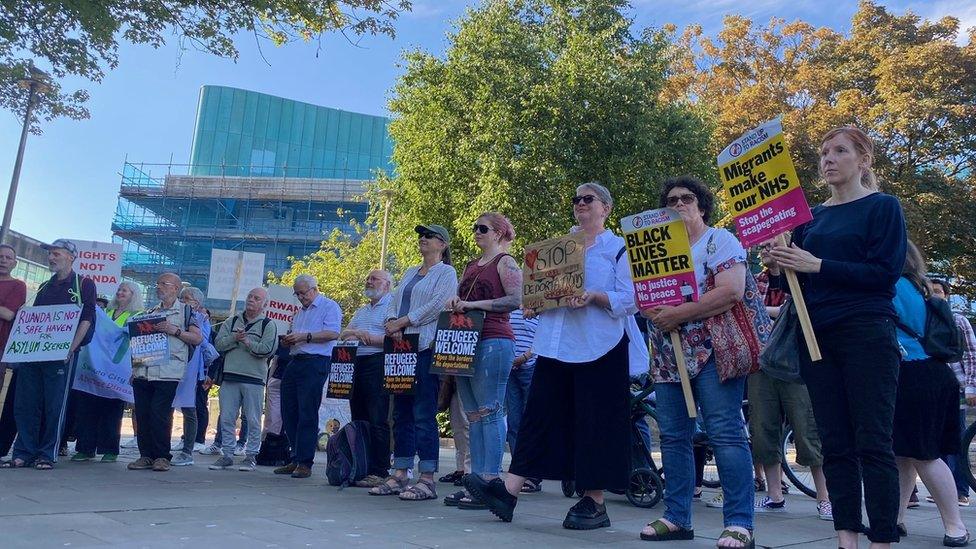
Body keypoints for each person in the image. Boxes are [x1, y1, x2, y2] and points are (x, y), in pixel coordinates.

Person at [465, 183, 647, 531]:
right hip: (556, 344)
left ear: (606, 208)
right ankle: (509, 490)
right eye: (576, 199)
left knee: (596, 422)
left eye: (588, 199)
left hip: (599, 346)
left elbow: (630, 300)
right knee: (538, 416)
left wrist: (593, 295)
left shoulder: (619, 250)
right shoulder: (558, 248)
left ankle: (594, 500)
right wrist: (535, 307)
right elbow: (541, 294)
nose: (580, 204)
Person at [768, 126, 907, 549]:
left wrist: (818, 265)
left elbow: (885, 274)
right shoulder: (811, 218)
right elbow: (798, 283)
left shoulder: (883, 207)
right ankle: (847, 537)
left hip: (867, 333)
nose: (828, 159)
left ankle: (881, 539)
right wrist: (780, 264)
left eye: (840, 151)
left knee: (874, 441)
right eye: (824, 152)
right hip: (817, 338)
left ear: (863, 160)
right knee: (835, 442)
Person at [636, 177, 754, 548]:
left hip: (713, 353)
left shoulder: (720, 241)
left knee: (725, 433)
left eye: (687, 198)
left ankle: (739, 521)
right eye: (671, 200)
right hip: (669, 357)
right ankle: (676, 517)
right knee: (672, 438)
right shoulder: (654, 251)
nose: (678, 204)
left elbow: (731, 291)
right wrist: (657, 311)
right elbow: (644, 298)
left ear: (702, 206)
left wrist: (679, 313)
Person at [369, 224, 457, 501]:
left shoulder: (446, 273)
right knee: (401, 413)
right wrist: (389, 323)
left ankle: (427, 477)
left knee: (423, 412)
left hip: (423, 347)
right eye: (421, 235)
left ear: (442, 244)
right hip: (399, 349)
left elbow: (437, 305)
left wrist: (404, 322)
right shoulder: (409, 272)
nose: (422, 239)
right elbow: (395, 301)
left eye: (429, 236)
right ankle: (400, 472)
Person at [891, 244, 968, 546]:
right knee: (904, 453)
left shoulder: (892, 286)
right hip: (934, 372)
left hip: (912, 373)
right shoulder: (919, 287)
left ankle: (955, 525)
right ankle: (895, 519)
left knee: (923, 455)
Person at [443, 212, 521, 508]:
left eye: (483, 228)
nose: (476, 232)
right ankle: (476, 481)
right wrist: (455, 302)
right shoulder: (470, 266)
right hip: (464, 341)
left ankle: (490, 479)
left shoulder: (506, 262)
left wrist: (473, 304)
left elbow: (515, 300)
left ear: (499, 233)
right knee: (472, 413)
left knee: (490, 410)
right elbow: (462, 299)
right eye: (474, 227)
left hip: (493, 338)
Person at [750, 258, 832, 520]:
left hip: (795, 363)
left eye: (773, 244)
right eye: (764, 246)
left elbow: (801, 309)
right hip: (761, 362)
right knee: (763, 428)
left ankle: (825, 498)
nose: (767, 251)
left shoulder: (800, 278)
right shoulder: (754, 280)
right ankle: (775, 495)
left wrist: (766, 312)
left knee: (807, 428)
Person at [6, 239, 96, 470]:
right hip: (34, 355)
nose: (51, 257)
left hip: (60, 356)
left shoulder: (83, 283)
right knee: (26, 404)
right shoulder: (45, 286)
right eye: (50, 254)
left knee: (54, 405)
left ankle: (47, 453)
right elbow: (32, 320)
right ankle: (24, 452)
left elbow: (86, 319)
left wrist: (71, 348)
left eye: (56, 253)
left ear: (70, 257)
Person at [127, 273, 203, 472]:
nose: (159, 287)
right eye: (158, 283)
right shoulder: (150, 312)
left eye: (164, 284)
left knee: (159, 413)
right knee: (142, 413)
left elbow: (197, 338)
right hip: (144, 370)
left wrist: (174, 330)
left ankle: (162, 455)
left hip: (169, 371)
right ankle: (145, 455)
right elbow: (140, 343)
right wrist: (135, 369)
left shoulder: (186, 312)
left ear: (175, 288)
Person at [274, 274, 341, 479]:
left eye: (303, 293)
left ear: (314, 289)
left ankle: (305, 461)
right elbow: (298, 335)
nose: (300, 297)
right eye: (297, 294)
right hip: (296, 360)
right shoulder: (299, 313)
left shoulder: (329, 306)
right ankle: (295, 456)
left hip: (316, 361)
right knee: (288, 410)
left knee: (307, 411)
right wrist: (289, 340)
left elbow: (333, 333)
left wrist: (305, 336)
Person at [71, 281, 143, 463]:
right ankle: (85, 448)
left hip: (117, 371)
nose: (120, 293)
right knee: (87, 407)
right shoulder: (105, 313)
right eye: (119, 289)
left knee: (112, 410)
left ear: (133, 295)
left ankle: (110, 449)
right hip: (95, 368)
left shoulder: (138, 315)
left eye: (124, 290)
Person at [210, 287, 278, 472]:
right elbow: (218, 344)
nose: (251, 300)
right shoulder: (231, 321)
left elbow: (268, 349)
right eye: (250, 296)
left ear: (265, 305)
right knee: (227, 417)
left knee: (253, 419)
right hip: (230, 377)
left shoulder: (268, 325)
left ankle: (251, 456)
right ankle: (228, 455)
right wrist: (234, 338)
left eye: (256, 298)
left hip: (254, 379)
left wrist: (248, 342)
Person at [339, 270, 394, 487]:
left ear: (387, 285)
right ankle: (360, 464)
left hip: (378, 361)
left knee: (378, 418)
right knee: (359, 416)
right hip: (357, 362)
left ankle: (379, 470)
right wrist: (355, 334)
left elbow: (394, 338)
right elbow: (344, 334)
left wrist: (369, 337)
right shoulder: (362, 310)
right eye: (368, 278)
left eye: (374, 279)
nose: (369, 281)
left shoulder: (392, 307)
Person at [931, 278, 976, 507]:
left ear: (946, 295)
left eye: (938, 291)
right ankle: (943, 489)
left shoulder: (958, 320)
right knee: (936, 438)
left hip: (956, 387)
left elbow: (971, 354)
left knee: (957, 437)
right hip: (934, 388)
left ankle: (960, 490)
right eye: (930, 291)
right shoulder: (926, 319)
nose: (934, 295)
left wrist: (971, 386)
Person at [169, 287, 215, 466]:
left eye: (186, 298)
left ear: (197, 303)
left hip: (190, 367)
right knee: (167, 405)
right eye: (181, 298)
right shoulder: (175, 314)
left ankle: (188, 450)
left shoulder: (200, 318)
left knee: (189, 408)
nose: (182, 301)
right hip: (172, 364)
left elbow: (201, 339)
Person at [506, 307, 540, 493]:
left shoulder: (537, 307)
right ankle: (518, 470)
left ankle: (533, 474)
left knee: (532, 421)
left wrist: (525, 357)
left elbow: (544, 336)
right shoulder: (509, 308)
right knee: (513, 422)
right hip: (511, 370)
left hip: (531, 367)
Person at [0, 244, 27, 461]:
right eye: (0, 256)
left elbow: (9, 315)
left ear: (14, 263)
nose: (3, 260)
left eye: (8, 257)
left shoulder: (18, 285)